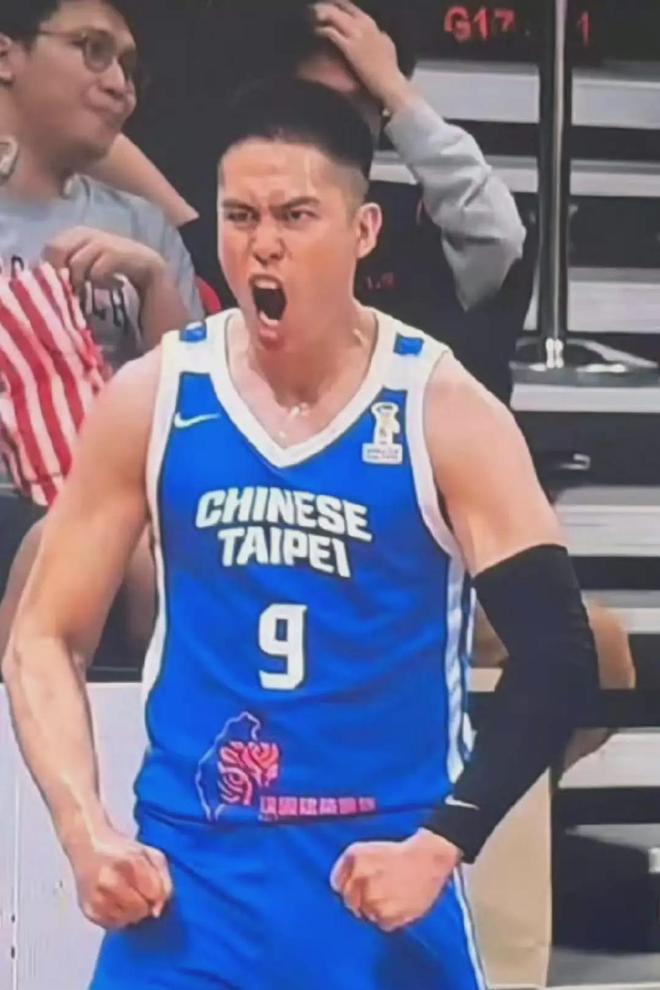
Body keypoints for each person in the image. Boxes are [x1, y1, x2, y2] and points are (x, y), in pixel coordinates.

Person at [3, 79, 597, 989]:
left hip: (379, 874)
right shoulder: (155, 395)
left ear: (364, 231)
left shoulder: (441, 406)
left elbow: (557, 655)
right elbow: (42, 635)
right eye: (240, 216)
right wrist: (85, 834)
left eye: (295, 215)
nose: (264, 244)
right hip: (190, 881)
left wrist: (446, 839)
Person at [92, 0, 530, 403]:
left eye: (358, 101)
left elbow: (499, 234)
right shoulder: (239, 232)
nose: (332, 122)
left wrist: (394, 87)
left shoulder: (425, 224)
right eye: (316, 103)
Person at [0, 0, 204, 648]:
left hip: (118, 509)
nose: (119, 84)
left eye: (129, 67)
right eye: (92, 49)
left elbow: (197, 411)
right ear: (7, 56)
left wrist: (154, 282)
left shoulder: (144, 227)